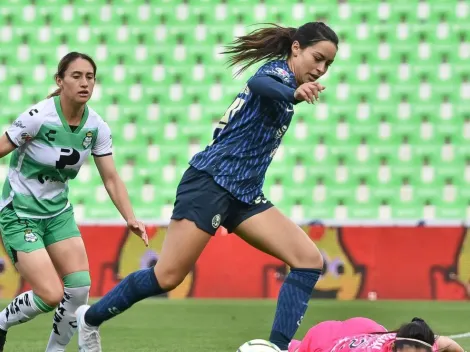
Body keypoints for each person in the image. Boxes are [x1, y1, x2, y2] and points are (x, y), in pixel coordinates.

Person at [76, 22, 338, 352]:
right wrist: (292, 93)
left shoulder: (289, 84)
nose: (321, 69)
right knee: (168, 277)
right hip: (210, 183)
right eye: (318, 58)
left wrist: (294, 94)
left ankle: (276, 348)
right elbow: (259, 83)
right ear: (296, 48)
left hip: (244, 193)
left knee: (308, 260)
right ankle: (89, 318)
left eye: (328, 64)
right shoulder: (278, 75)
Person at [0, 52, 148, 352]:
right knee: (50, 294)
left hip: (58, 215)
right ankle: (1, 322)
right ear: (60, 80)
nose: (84, 83)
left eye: (90, 77)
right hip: (20, 214)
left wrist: (130, 216)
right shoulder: (38, 117)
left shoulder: (96, 127)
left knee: (79, 289)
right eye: (76, 76)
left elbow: (111, 178)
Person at [288, 317, 464, 352]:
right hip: (325, 340)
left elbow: (446, 343)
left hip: (363, 328)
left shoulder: (420, 344)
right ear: (394, 347)